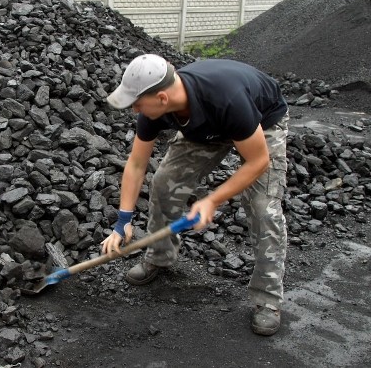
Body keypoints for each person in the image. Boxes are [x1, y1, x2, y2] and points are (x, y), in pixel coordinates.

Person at [101, 54, 288, 336]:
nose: (135, 109)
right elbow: (137, 163)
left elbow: (258, 161)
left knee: (263, 207)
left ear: (162, 98)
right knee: (164, 184)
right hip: (205, 129)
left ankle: (268, 300)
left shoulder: (226, 98)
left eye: (138, 103)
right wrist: (122, 221)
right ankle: (160, 257)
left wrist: (213, 199)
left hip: (260, 121)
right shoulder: (157, 109)